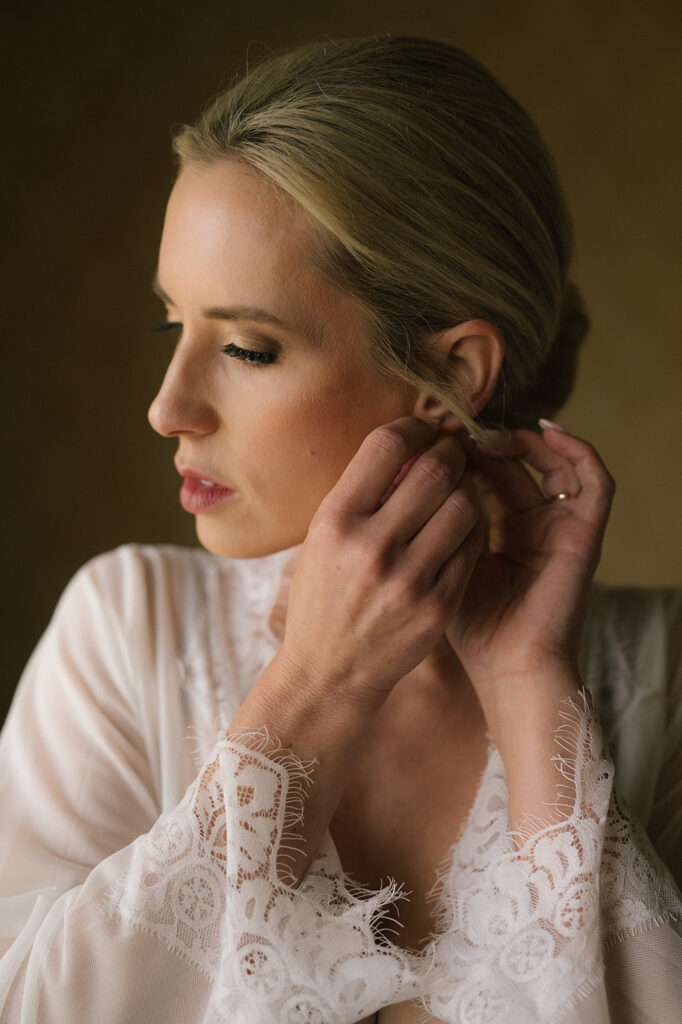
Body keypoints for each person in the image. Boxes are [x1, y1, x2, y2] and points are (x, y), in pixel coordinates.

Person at [0, 34, 680, 1024]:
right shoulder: (128, 625)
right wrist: (313, 690)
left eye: (245, 346)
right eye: (171, 327)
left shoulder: (664, 667)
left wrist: (536, 692)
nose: (167, 406)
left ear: (452, 375)